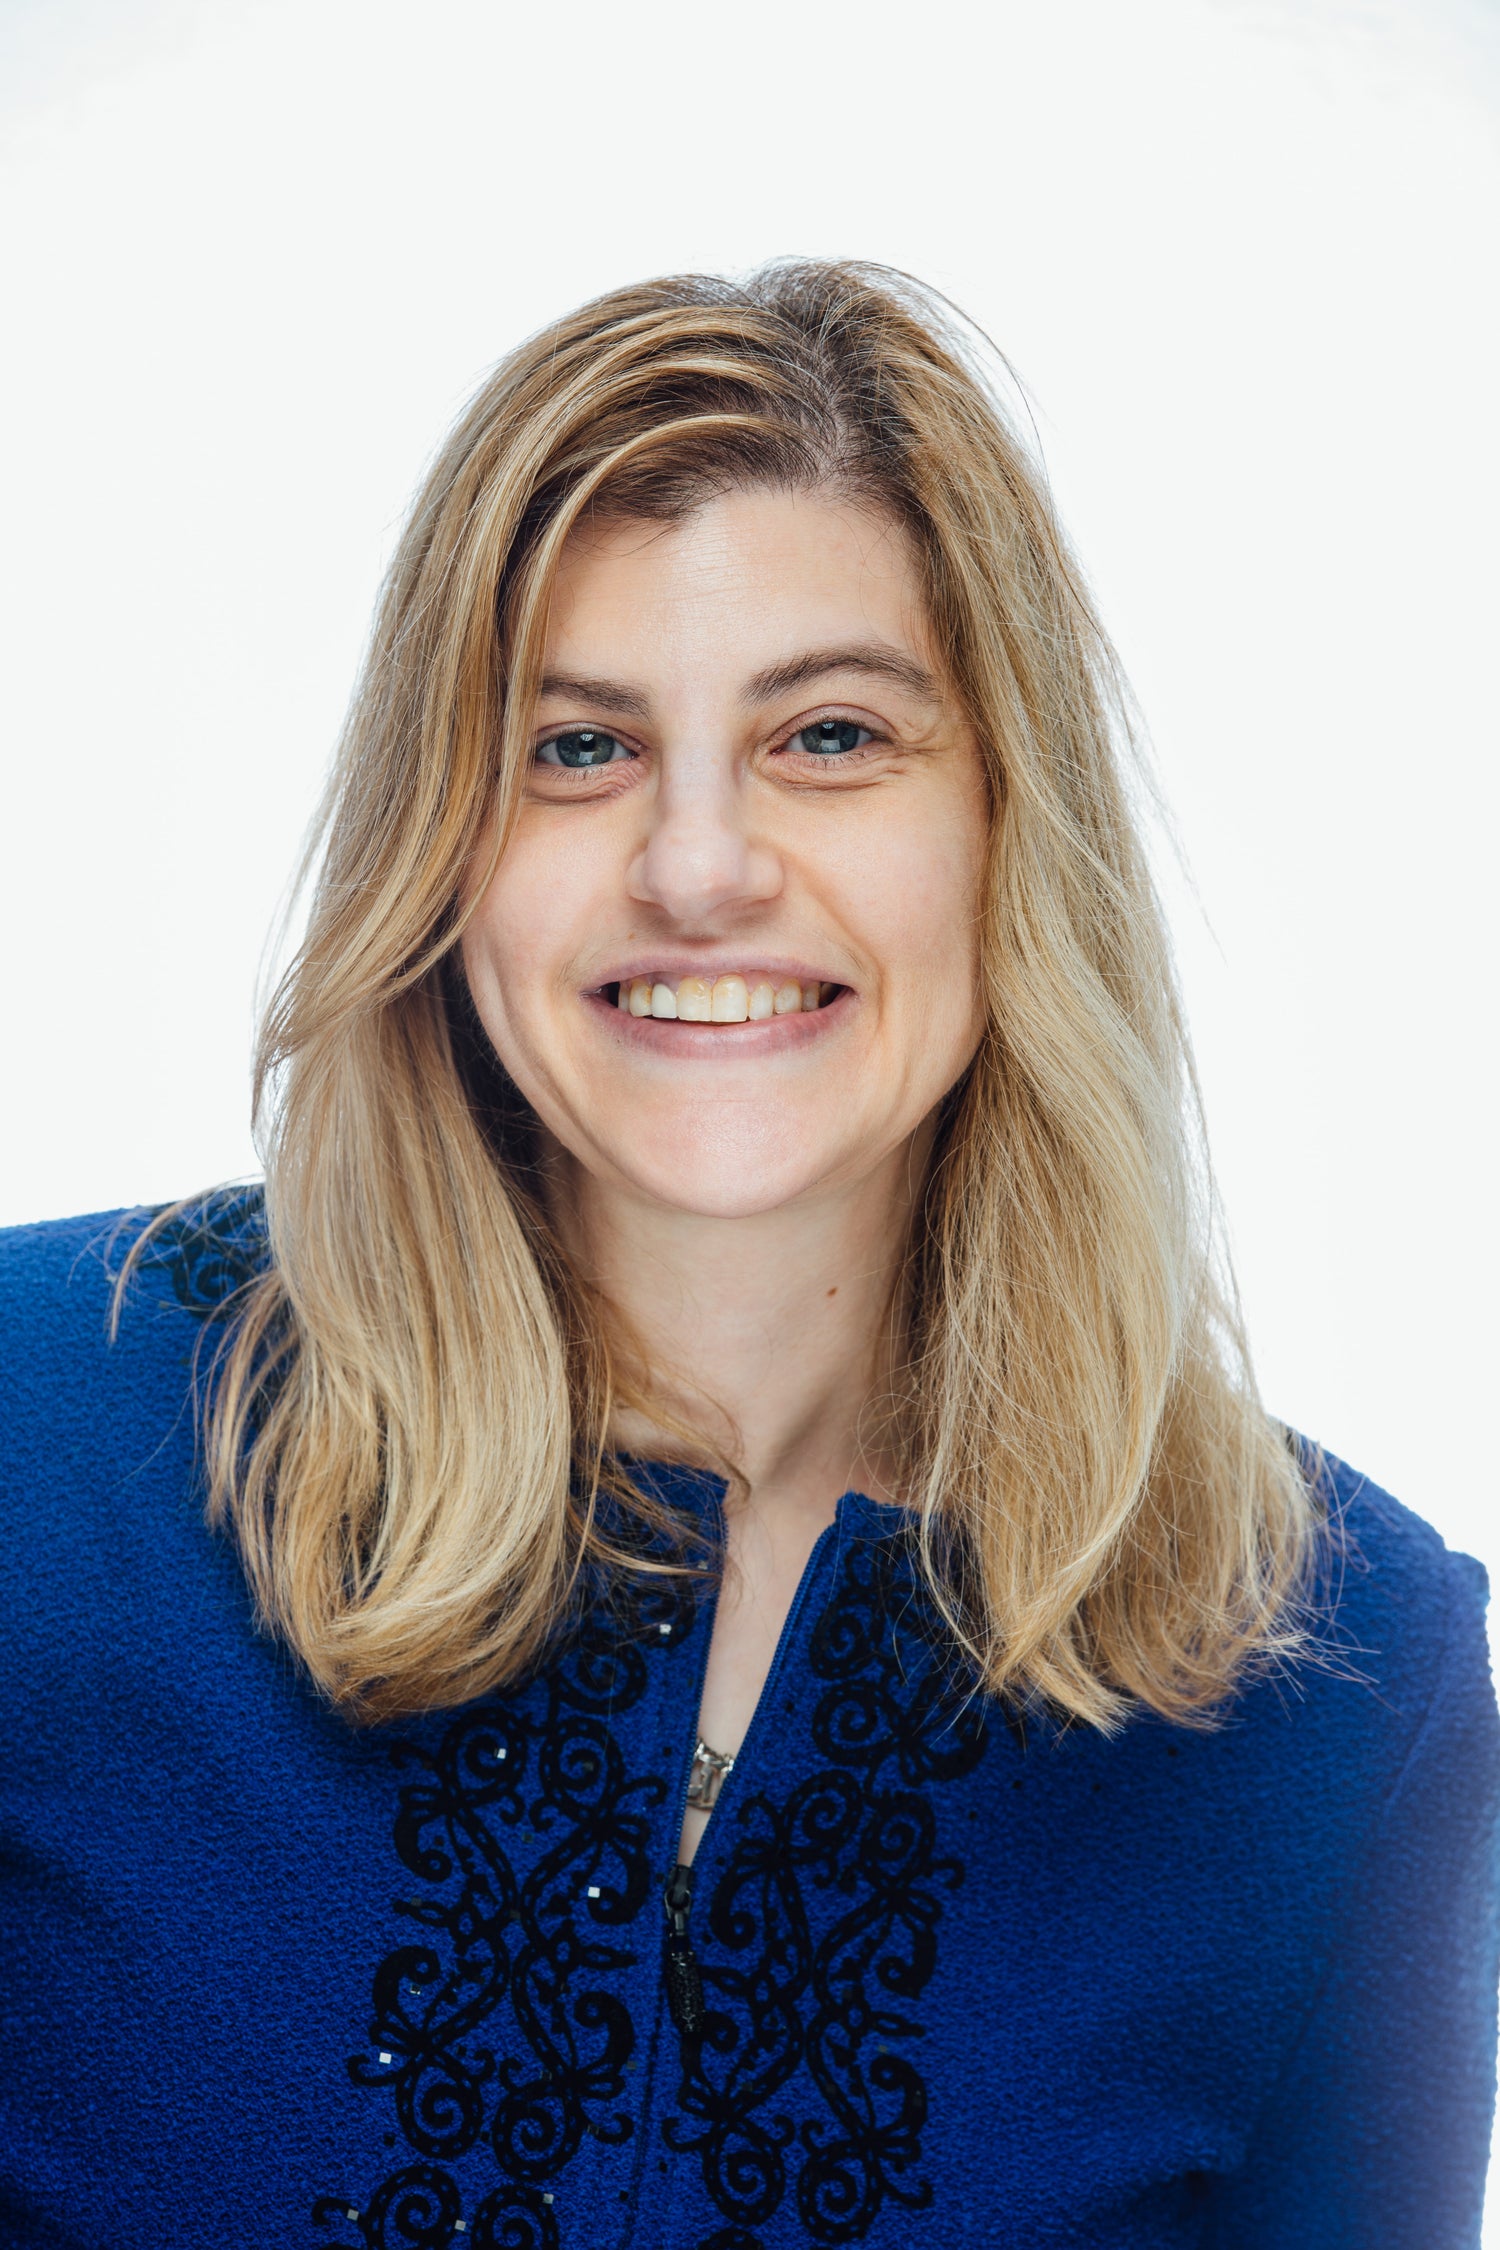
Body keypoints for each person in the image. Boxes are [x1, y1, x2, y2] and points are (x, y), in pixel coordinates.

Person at [1, 260, 1495, 2250]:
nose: (697, 866)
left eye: (831, 737)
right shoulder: (36, 1446)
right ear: (440, 854)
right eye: (576, 750)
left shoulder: (1346, 1682)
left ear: (1004, 829)